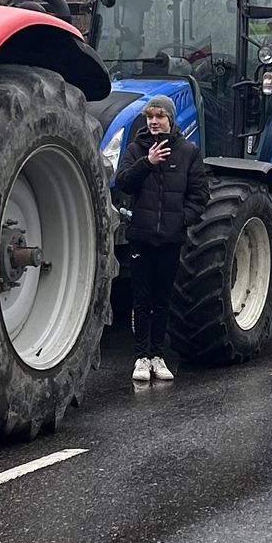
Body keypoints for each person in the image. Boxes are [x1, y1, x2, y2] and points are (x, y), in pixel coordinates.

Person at [113, 96, 207, 383]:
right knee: (141, 299)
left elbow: (200, 195)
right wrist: (147, 162)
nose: (154, 122)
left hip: (170, 238)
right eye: (150, 117)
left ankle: (157, 355)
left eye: (159, 117)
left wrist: (181, 219)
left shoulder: (188, 152)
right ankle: (141, 357)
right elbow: (124, 181)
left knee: (163, 299)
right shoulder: (135, 149)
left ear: (171, 119)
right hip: (141, 236)